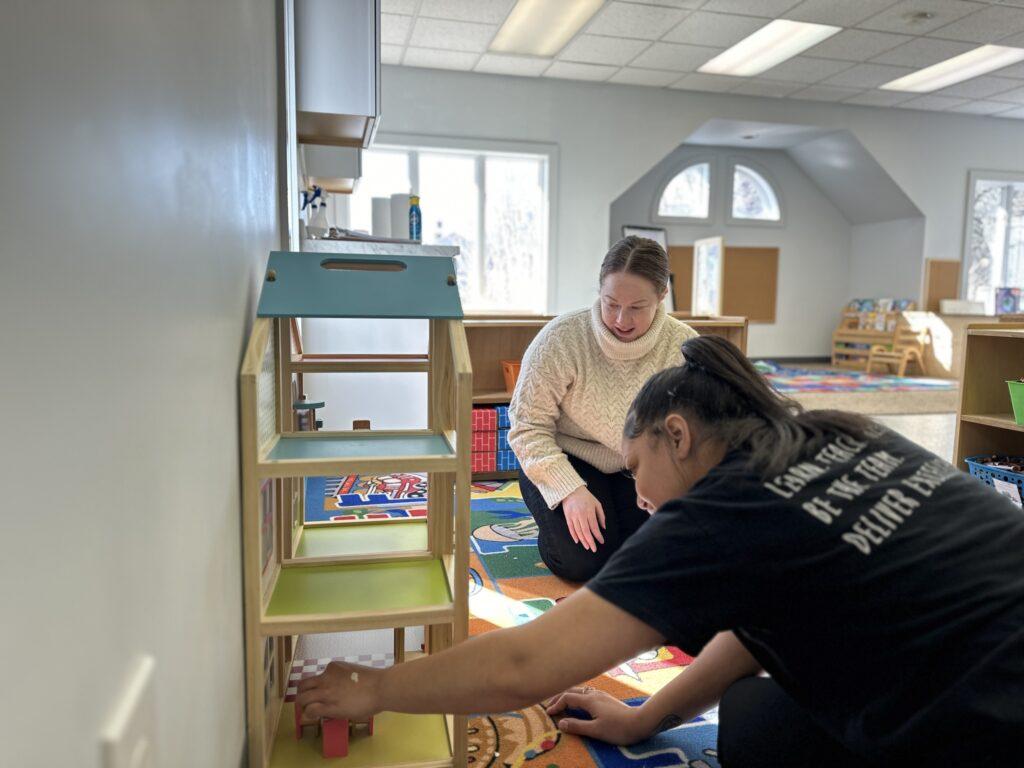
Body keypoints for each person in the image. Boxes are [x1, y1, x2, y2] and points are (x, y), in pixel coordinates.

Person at [296, 336, 1024, 765]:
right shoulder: (836, 434)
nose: (636, 495)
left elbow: (523, 664)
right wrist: (644, 719)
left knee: (760, 731)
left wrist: (378, 688)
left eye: (636, 466)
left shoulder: (727, 509)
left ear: (676, 435)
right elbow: (756, 628)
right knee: (754, 717)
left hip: (983, 720)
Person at [509, 235, 696, 581]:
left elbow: (696, 434)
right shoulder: (561, 339)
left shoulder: (684, 346)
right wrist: (569, 490)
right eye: (611, 303)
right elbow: (526, 426)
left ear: (662, 295)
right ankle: (550, 524)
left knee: (655, 556)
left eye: (637, 307)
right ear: (599, 290)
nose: (621, 319)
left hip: (639, 465)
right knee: (584, 562)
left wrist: (668, 485)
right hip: (564, 458)